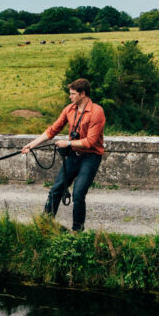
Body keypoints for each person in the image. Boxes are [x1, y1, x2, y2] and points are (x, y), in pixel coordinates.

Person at [22, 78, 105, 231]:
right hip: (74, 155)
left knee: (78, 193)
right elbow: (53, 130)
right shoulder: (69, 109)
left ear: (82, 94)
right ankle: (44, 225)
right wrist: (32, 144)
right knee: (56, 189)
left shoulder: (96, 112)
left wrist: (68, 143)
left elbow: (90, 142)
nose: (70, 96)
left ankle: (77, 231)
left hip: (90, 157)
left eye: (73, 94)